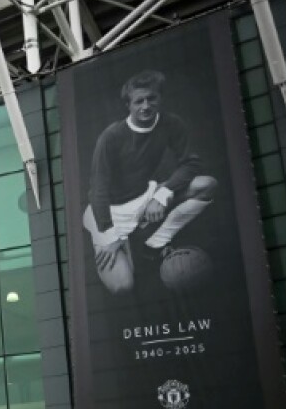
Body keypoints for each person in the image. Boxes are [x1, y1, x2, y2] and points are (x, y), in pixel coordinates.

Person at [82, 70, 217, 295]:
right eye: (139, 101)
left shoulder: (171, 124)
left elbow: (191, 163)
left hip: (145, 198)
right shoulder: (111, 136)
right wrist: (111, 236)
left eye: (151, 98)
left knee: (207, 184)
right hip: (107, 213)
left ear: (160, 99)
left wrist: (161, 195)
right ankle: (126, 243)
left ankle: (154, 242)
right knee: (123, 286)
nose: (145, 106)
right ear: (129, 105)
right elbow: (98, 191)